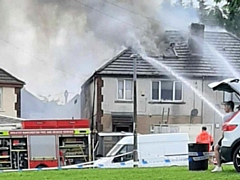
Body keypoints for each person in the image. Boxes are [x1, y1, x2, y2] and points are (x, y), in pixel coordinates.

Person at [211, 100, 235, 173]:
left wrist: (222, 136)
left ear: (229, 107)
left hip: (227, 135)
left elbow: (224, 128)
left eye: (225, 106)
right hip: (234, 135)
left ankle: (218, 166)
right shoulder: (235, 114)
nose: (224, 108)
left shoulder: (226, 116)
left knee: (216, 148)